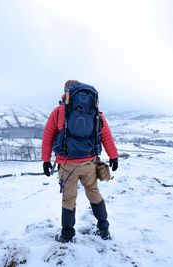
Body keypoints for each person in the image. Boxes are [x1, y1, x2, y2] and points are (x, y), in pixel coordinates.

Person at [42, 80, 118, 243]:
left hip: (67, 164)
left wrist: (46, 161)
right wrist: (114, 156)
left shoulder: (58, 112)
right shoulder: (95, 113)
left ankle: (67, 235)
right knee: (94, 194)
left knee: (69, 198)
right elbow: (106, 136)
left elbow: (47, 138)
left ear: (66, 93)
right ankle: (104, 230)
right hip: (89, 163)